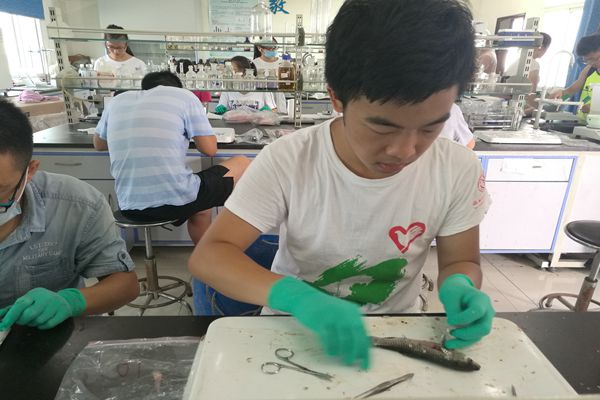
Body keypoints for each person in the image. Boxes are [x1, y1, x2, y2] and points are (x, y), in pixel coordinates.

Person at [189, 0, 494, 369]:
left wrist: (461, 286)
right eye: (382, 127)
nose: (405, 151)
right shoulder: (289, 159)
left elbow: (461, 260)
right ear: (336, 97)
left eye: (430, 128)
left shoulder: (456, 168)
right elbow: (210, 256)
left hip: (398, 331)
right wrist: (297, 298)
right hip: (295, 335)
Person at [0, 98, 139, 331]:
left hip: (44, 339)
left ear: (29, 172)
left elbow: (125, 285)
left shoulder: (76, 204)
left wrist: (71, 301)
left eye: (0, 190)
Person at [93, 71, 250, 244]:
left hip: (128, 206)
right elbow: (209, 149)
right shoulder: (184, 97)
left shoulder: (117, 101)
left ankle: (205, 253)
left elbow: (99, 144)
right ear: (177, 88)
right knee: (242, 162)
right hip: (174, 203)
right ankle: (228, 245)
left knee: (202, 208)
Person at [550, 33, 600, 121]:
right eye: (586, 61)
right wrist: (561, 96)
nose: (590, 63)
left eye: (592, 59)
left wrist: (595, 109)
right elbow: (571, 91)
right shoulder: (589, 70)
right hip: (583, 124)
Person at [253, 41, 287, 112]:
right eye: (269, 48)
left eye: (274, 48)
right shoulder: (254, 63)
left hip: (279, 99)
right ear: (260, 48)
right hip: (261, 100)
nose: (272, 50)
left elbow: (287, 83)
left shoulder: (283, 63)